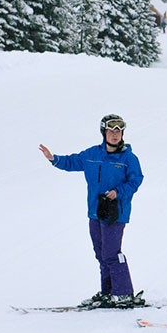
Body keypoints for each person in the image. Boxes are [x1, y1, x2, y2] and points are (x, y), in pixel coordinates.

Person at [38, 114, 145, 308]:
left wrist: (118, 192)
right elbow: (72, 162)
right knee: (101, 254)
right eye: (111, 131)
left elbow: (136, 180)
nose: (115, 135)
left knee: (112, 253)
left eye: (119, 131)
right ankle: (108, 292)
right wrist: (53, 159)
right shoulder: (92, 155)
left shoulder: (129, 158)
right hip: (95, 212)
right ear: (104, 132)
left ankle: (123, 293)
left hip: (116, 213)